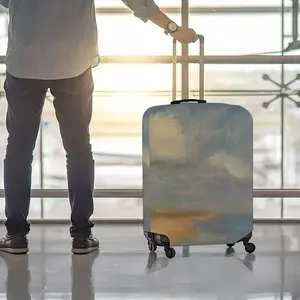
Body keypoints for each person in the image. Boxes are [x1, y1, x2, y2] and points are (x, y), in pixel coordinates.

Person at [0, 0, 198, 255]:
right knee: (79, 149)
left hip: (25, 62)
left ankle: (16, 235)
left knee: (18, 151)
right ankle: (82, 234)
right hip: (74, 63)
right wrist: (172, 27)